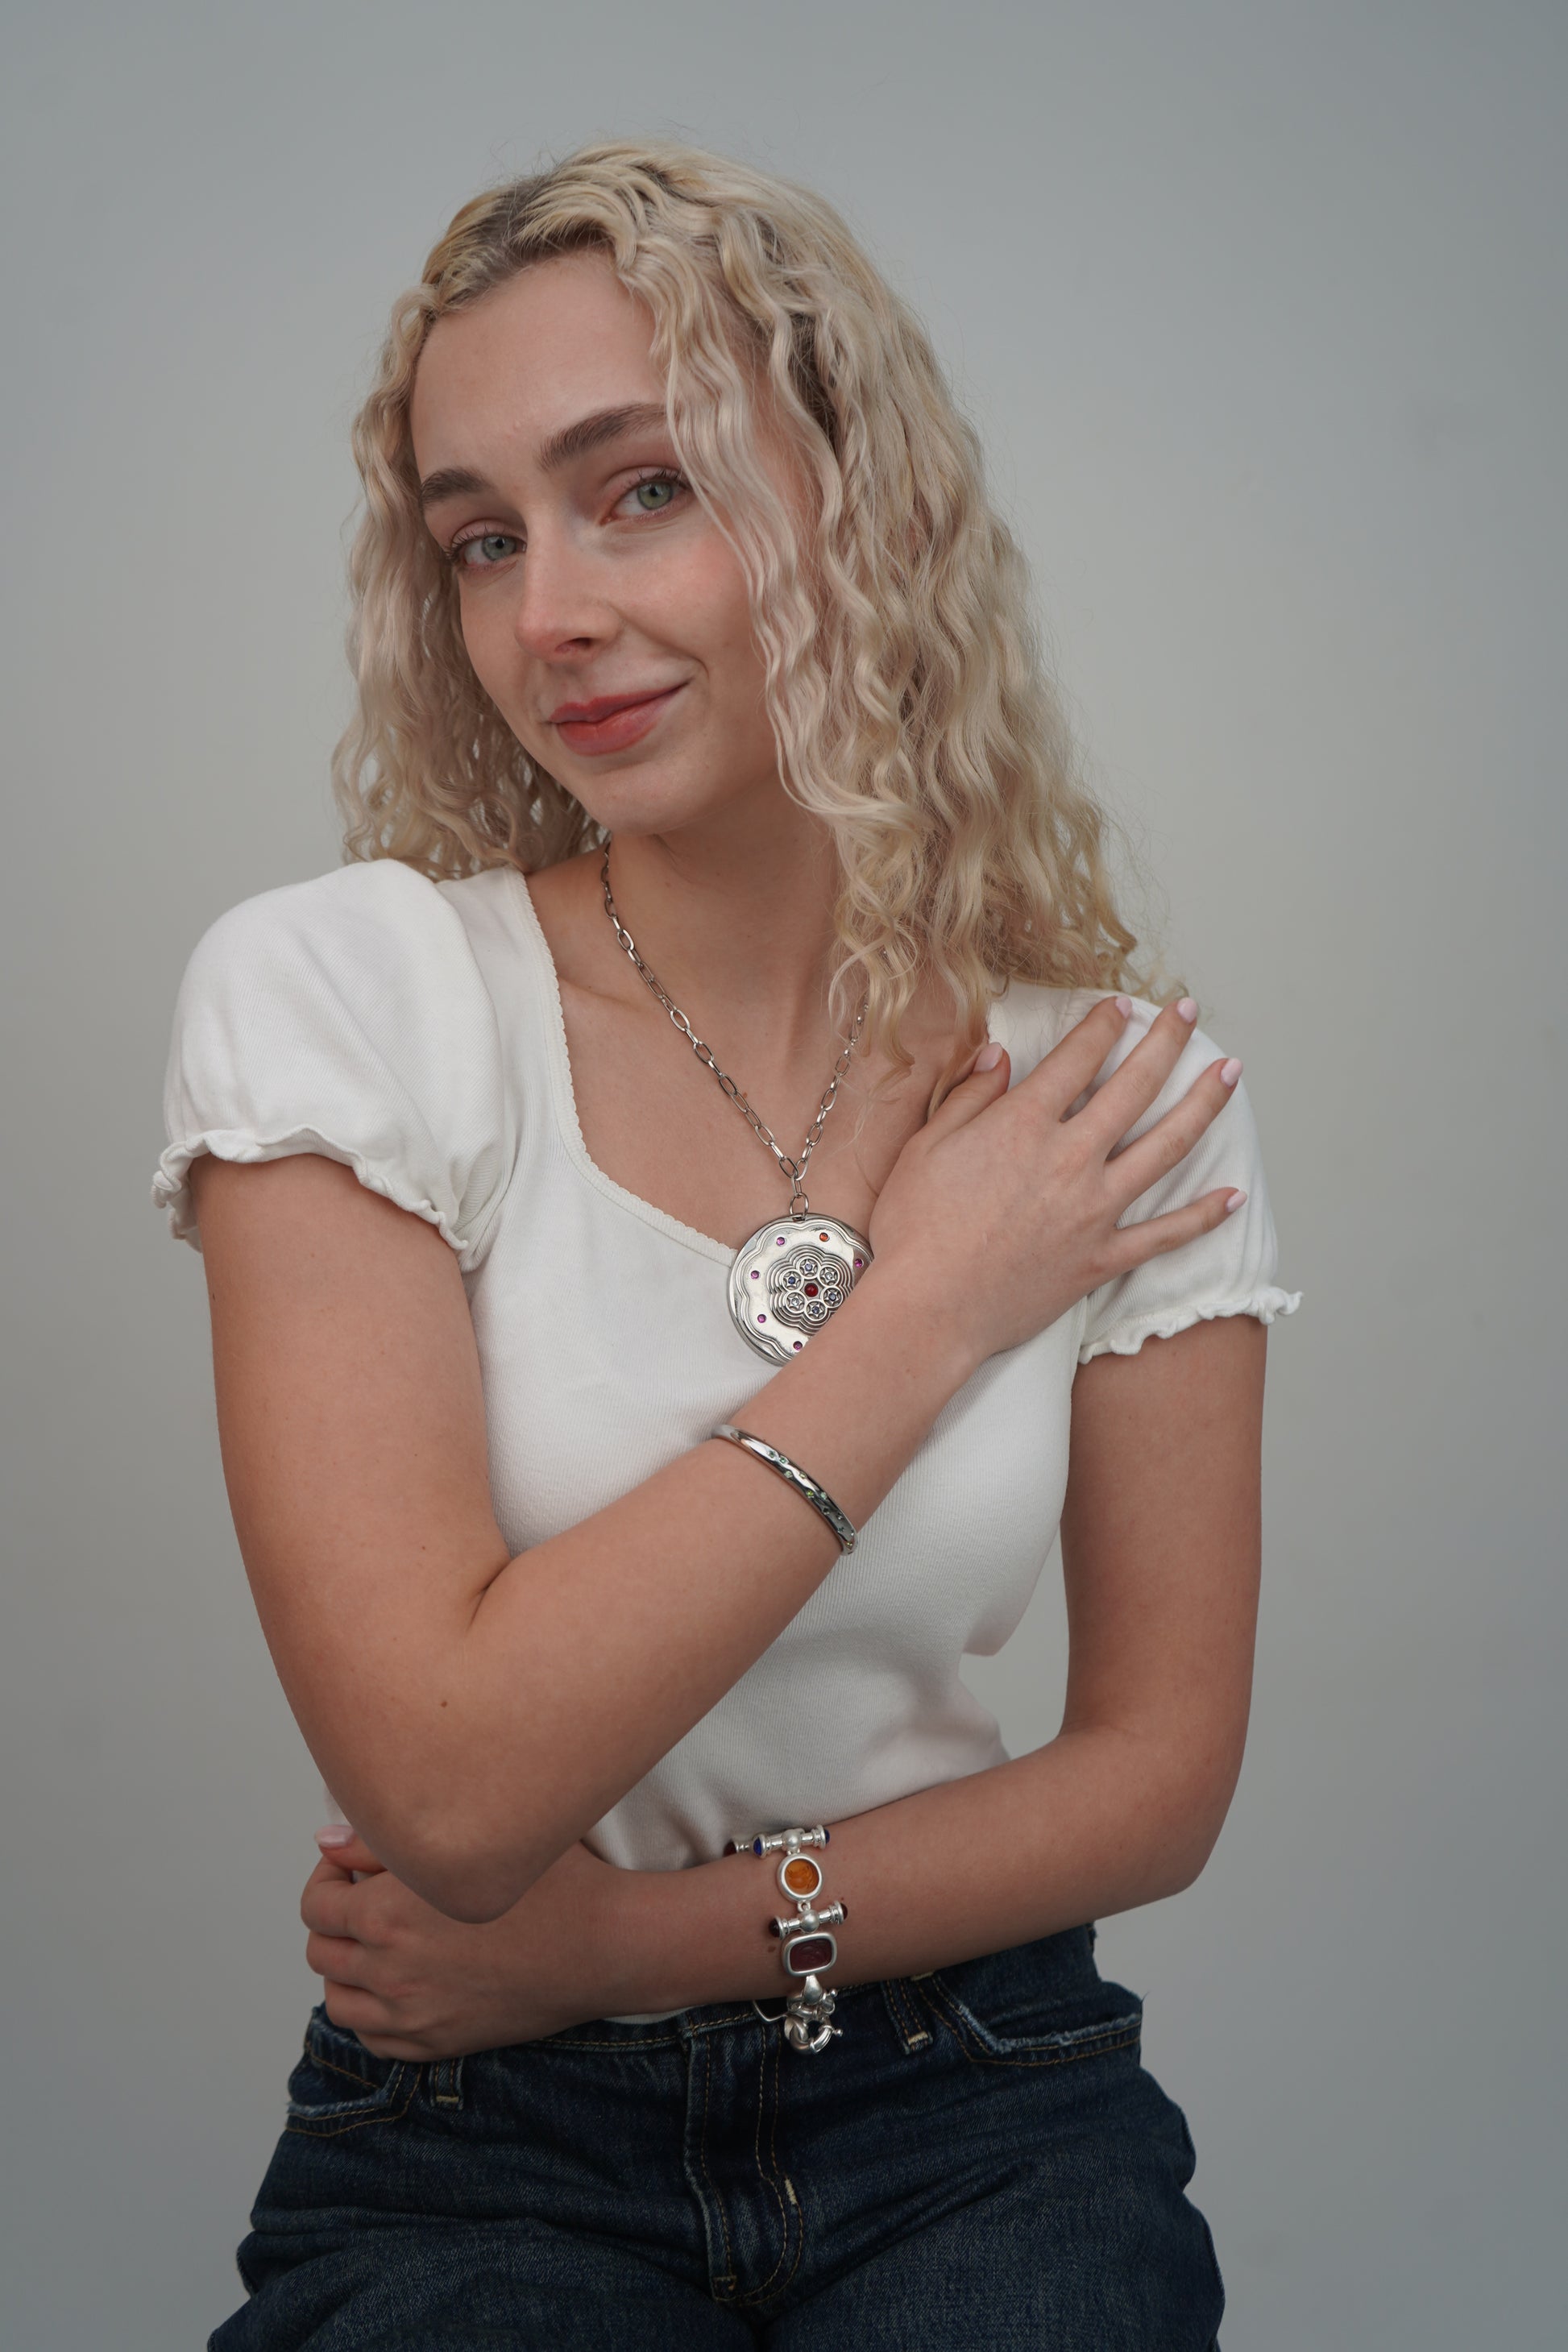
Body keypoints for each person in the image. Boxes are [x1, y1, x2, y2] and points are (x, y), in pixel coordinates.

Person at [155, 139, 1302, 2350]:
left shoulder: (1103, 1096)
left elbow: (1156, 1782)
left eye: (643, 490)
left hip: (982, 2100)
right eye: (483, 538)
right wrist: (932, 1304)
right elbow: (452, 1791)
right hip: (475, 2142)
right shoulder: (352, 998)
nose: (548, 617)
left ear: (860, 500)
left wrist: (626, 1949)